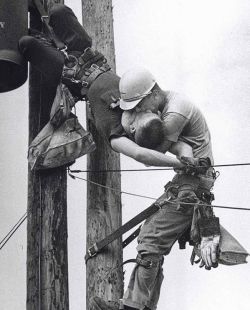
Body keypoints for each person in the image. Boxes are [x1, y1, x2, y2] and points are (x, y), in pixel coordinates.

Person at [91, 68, 221, 310]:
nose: (138, 111)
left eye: (139, 106)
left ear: (152, 94)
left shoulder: (174, 113)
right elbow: (182, 149)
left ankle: (133, 306)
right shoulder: (163, 107)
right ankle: (142, 306)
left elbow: (148, 153)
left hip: (191, 186)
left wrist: (116, 128)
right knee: (152, 238)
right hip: (186, 183)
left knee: (151, 239)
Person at [19, 2, 194, 171]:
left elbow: (142, 155)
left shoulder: (117, 133)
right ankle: (34, 18)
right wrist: (188, 160)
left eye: (141, 115)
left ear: (133, 129)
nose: (141, 109)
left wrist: (175, 165)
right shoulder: (138, 109)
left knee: (26, 43)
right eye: (148, 111)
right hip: (87, 54)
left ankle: (17, 23)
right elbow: (181, 146)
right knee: (58, 11)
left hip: (70, 74)